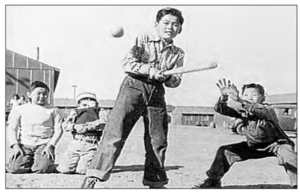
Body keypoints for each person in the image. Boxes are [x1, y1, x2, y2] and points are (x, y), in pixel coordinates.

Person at [81, 7, 185, 189]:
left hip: (157, 92)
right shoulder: (143, 39)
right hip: (134, 86)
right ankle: (94, 177)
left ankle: (156, 182)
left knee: (158, 139)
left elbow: (176, 81)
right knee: (116, 132)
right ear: (156, 24)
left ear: (180, 29)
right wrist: (150, 70)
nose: (170, 27)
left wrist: (168, 77)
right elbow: (128, 63)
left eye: (175, 24)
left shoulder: (178, 53)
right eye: (166, 23)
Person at [193, 79, 297, 189]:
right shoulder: (243, 110)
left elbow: (258, 110)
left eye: (254, 95)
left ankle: (297, 185)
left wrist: (239, 99)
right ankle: (213, 181)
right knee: (225, 151)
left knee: (289, 155)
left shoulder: (268, 109)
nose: (250, 97)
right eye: (246, 95)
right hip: (253, 147)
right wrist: (224, 98)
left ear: (263, 97)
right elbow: (221, 109)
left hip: (276, 145)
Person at [6, 81, 63, 174]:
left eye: (45, 94)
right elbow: (12, 128)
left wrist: (51, 145)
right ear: (29, 94)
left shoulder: (53, 110)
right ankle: (21, 161)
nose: (42, 96)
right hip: (24, 144)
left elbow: (59, 130)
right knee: (15, 169)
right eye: (38, 93)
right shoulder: (20, 109)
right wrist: (15, 145)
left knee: (41, 169)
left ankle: (43, 162)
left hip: (44, 145)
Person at [57, 92, 107, 174]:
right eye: (84, 103)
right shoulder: (75, 112)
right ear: (79, 105)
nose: (87, 105)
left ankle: (94, 162)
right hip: (76, 142)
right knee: (64, 169)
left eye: (91, 101)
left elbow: (103, 123)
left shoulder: (100, 111)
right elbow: (65, 125)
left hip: (90, 144)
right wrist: (74, 127)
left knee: (82, 170)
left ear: (96, 104)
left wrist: (88, 126)